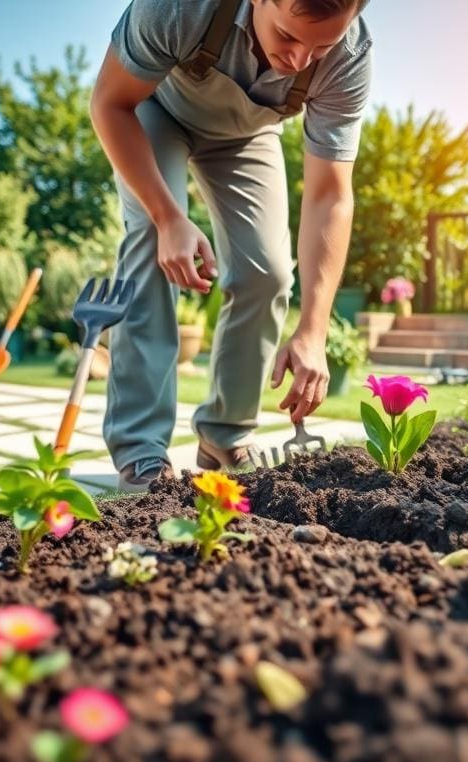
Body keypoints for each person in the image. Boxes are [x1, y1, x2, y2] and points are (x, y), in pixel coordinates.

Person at [91, 0, 372, 492]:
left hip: (247, 136)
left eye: (320, 46)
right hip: (153, 111)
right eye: (287, 36)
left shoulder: (349, 56)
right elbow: (110, 104)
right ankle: (140, 452)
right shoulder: (178, 8)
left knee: (268, 273)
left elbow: (330, 194)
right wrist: (168, 217)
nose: (301, 60)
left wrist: (313, 331)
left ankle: (225, 433)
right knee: (152, 249)